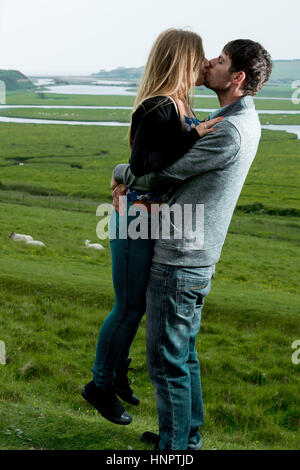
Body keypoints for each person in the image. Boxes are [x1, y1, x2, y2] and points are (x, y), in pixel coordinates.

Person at [112, 39, 272, 449]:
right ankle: (186, 434)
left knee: (166, 360)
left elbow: (164, 175)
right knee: (183, 353)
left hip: (181, 255)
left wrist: (120, 171)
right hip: (194, 252)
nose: (208, 65)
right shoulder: (236, 116)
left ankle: (174, 449)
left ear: (236, 77)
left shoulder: (229, 131)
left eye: (219, 61)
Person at [81, 28, 221, 425]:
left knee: (135, 306)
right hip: (135, 217)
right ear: (183, 60)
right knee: (128, 307)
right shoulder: (157, 106)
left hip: (153, 218)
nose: (206, 64)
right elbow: (144, 165)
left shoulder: (177, 105)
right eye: (200, 58)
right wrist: (193, 134)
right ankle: (100, 385)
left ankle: (114, 374)